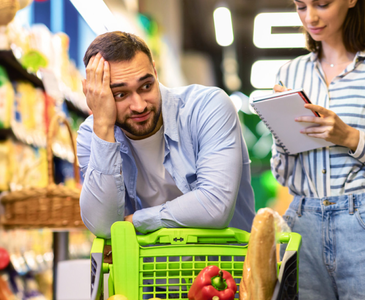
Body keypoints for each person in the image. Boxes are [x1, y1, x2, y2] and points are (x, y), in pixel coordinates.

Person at [272, 0, 365, 299]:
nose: (310, 17)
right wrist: (283, 136)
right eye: (300, 6)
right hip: (301, 221)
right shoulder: (289, 74)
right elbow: (282, 174)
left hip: (364, 222)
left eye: (322, 4)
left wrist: (350, 137)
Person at [77, 31, 255, 239]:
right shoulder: (93, 134)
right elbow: (101, 225)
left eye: (146, 86)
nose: (139, 105)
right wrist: (103, 125)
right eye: (121, 94)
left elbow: (215, 206)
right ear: (97, 93)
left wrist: (135, 221)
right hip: (148, 271)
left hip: (225, 265)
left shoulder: (207, 107)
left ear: (155, 71)